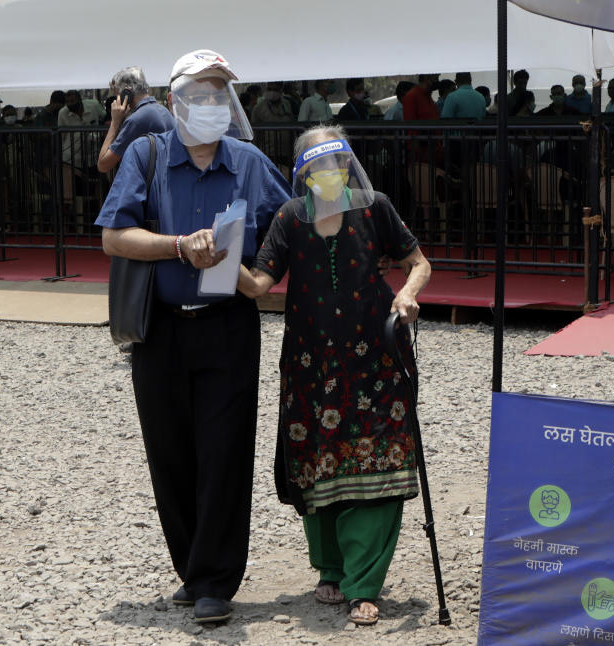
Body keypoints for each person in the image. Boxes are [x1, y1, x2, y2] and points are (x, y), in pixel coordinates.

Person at [94, 48, 293, 625]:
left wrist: (264, 278)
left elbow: (292, 227)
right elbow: (114, 236)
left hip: (227, 327)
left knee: (225, 452)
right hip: (159, 331)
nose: (215, 103)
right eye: (203, 92)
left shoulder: (249, 161)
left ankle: (214, 579)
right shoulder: (146, 153)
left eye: (221, 92)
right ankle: (192, 567)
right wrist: (180, 244)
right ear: (177, 100)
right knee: (171, 453)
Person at [236, 123, 431, 627]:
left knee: (380, 460)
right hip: (310, 364)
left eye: (337, 164)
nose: (329, 174)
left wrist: (407, 294)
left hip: (376, 360)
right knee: (317, 460)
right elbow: (259, 283)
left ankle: (364, 584)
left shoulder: (374, 207)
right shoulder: (288, 218)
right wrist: (220, 264)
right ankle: (331, 567)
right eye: (318, 166)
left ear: (347, 164)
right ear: (302, 172)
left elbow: (418, 263)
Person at [97, 66, 176, 173]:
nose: (116, 100)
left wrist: (115, 123)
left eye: (117, 94)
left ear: (126, 93)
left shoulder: (137, 120)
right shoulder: (163, 111)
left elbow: (103, 165)